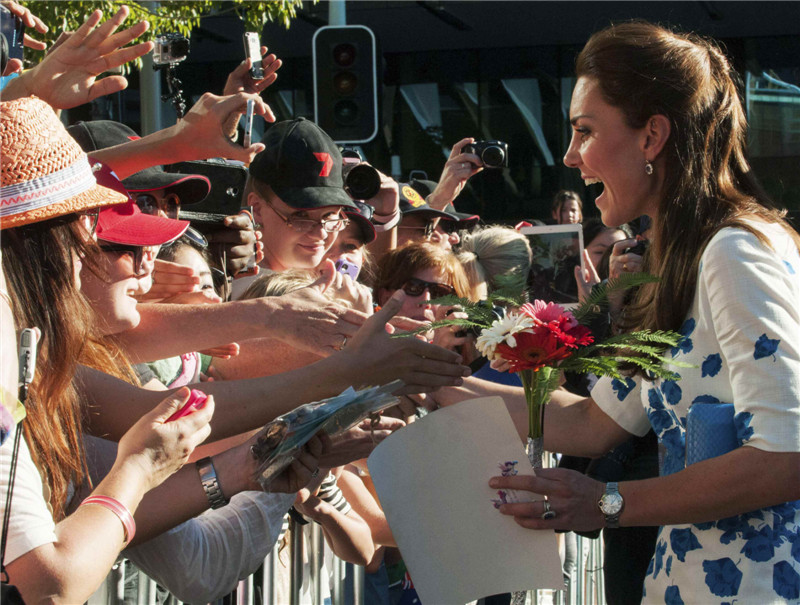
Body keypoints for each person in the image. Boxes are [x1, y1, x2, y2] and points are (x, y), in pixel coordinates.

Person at [489, 21, 800, 603]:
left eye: (584, 131)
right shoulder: (680, 258)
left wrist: (608, 502)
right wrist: (418, 382)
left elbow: (786, 455)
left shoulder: (732, 250)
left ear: (652, 136)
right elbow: (591, 424)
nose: (570, 156)